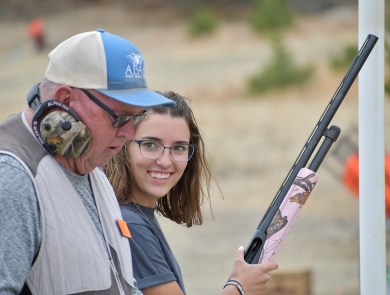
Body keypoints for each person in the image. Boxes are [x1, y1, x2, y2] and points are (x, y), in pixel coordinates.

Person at [0, 29, 177, 295]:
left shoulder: (89, 162)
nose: (129, 134)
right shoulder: (13, 178)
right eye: (118, 118)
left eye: (136, 118)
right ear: (64, 101)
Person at [105, 91, 278, 295]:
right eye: (150, 145)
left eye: (179, 147)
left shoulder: (136, 214)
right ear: (124, 145)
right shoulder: (130, 223)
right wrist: (240, 288)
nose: (166, 161)